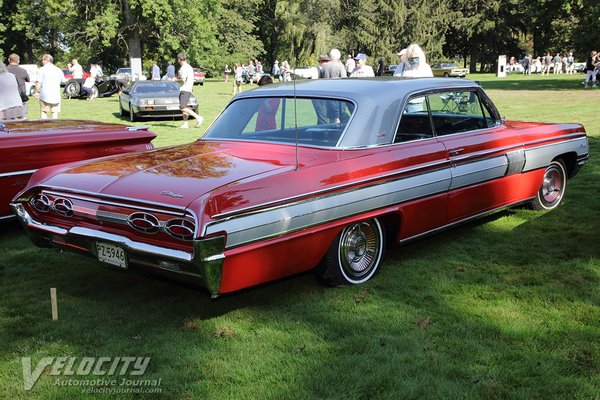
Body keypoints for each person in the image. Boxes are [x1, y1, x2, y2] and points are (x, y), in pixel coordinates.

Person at [176, 52, 203, 128]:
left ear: (179, 59)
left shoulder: (184, 68)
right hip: (187, 89)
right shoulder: (189, 67)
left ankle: (198, 117)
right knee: (183, 107)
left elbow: (183, 79)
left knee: (183, 107)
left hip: (185, 89)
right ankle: (185, 124)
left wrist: (176, 79)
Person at [35, 54, 65, 119]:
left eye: (42, 60)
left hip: (45, 94)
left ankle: (44, 126)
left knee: (43, 112)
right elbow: (63, 80)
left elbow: (38, 82)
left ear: (46, 60)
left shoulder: (42, 69)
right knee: (54, 113)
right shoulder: (58, 70)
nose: (42, 62)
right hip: (56, 94)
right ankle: (54, 127)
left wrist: (36, 92)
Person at [6, 53, 30, 119]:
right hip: (21, 95)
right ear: (18, 61)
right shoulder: (23, 71)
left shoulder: (4, 71)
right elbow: (28, 80)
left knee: (10, 117)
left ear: (9, 60)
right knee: (23, 116)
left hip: (8, 96)